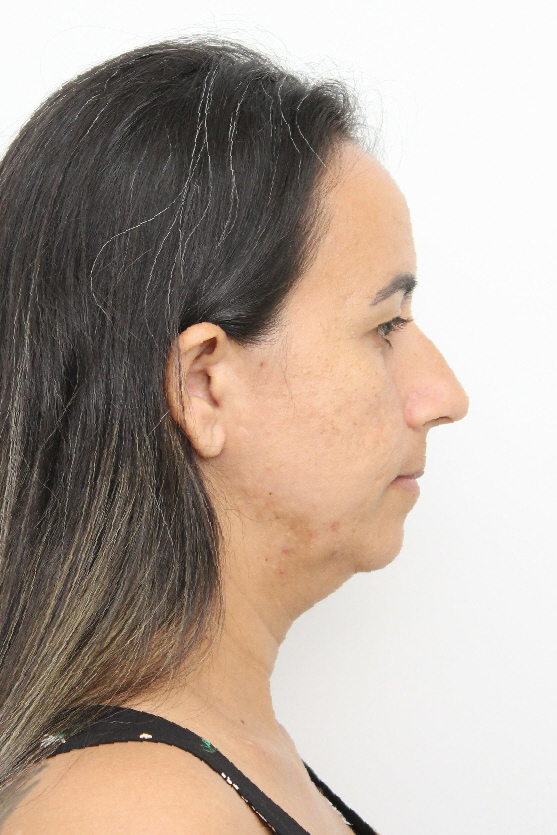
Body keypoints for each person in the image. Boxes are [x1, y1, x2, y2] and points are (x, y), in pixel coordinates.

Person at [0, 37, 469, 834]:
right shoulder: (132, 812)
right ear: (203, 385)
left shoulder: (224, 766)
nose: (443, 398)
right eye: (385, 325)